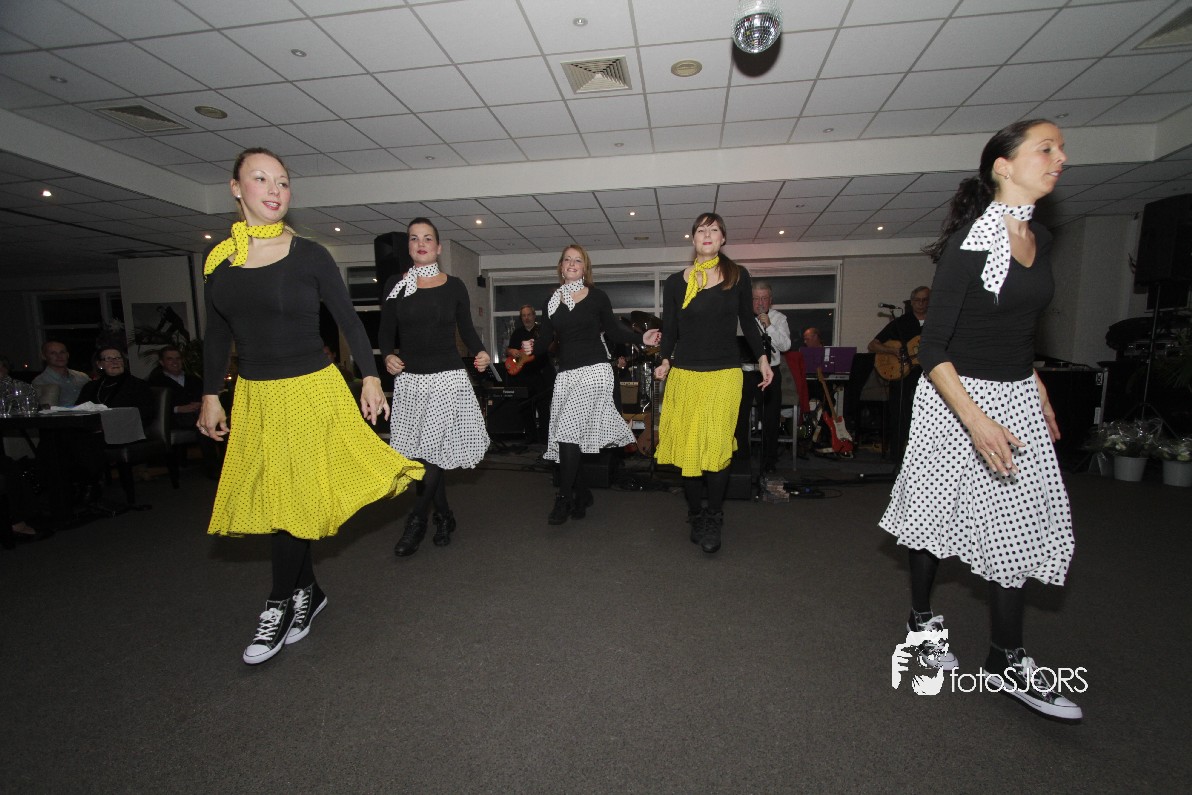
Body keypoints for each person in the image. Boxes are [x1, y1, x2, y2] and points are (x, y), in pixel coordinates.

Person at [879, 119, 1081, 721]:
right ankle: (921, 624)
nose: (1060, 158)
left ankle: (1005, 657)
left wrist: (1036, 385)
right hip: (953, 400)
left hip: (1015, 395)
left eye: (1060, 148)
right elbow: (934, 348)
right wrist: (975, 420)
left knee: (1015, 522)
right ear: (1003, 165)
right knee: (932, 515)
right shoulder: (970, 245)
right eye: (1046, 148)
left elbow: (1017, 330)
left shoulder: (1042, 236)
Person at [198, 147, 423, 666]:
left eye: (282, 181)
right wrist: (211, 394)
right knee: (278, 501)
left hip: (308, 391)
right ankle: (310, 592)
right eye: (261, 179)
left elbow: (349, 319)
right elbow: (216, 334)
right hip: (255, 396)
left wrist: (371, 376)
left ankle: (279, 603)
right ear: (236, 188)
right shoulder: (219, 261)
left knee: (290, 502)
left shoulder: (309, 255)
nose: (275, 189)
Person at [655, 212, 772, 554]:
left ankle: (715, 515)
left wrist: (763, 358)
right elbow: (670, 327)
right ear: (693, 239)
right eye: (701, 230)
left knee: (717, 447)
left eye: (714, 229)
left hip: (724, 374)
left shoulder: (737, 275)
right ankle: (696, 514)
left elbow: (748, 322)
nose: (707, 234)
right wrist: (664, 359)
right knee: (691, 448)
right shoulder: (675, 282)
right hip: (686, 374)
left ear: (722, 239)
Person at [379, 218, 491, 557]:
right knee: (427, 454)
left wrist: (481, 351)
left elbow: (466, 329)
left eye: (427, 238)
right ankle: (444, 516)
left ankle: (417, 520)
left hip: (446, 379)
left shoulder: (454, 286)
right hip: (411, 381)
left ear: (438, 247)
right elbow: (385, 330)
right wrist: (388, 355)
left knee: (430, 452)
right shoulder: (395, 285)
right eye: (414, 238)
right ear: (409, 247)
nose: (421, 243)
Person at [525, 245, 660, 524]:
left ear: (585, 268)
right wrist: (530, 348)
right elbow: (545, 341)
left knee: (567, 431)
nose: (572, 263)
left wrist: (640, 338)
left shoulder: (597, 296)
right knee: (568, 436)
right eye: (567, 259)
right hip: (566, 376)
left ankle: (564, 498)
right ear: (561, 267)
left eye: (578, 260)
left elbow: (614, 329)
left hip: (595, 372)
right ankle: (582, 493)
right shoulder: (551, 301)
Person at [868, 286, 931, 464]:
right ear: (911, 302)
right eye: (917, 300)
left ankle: (924, 457)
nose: (920, 304)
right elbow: (873, 345)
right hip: (903, 376)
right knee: (900, 413)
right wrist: (893, 351)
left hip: (929, 376)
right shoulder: (901, 323)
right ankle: (896, 455)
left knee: (926, 415)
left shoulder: (936, 323)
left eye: (924, 300)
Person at [736, 281, 791, 472]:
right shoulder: (740, 318)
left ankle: (769, 463)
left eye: (764, 298)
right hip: (744, 372)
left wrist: (770, 327)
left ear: (770, 300)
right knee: (738, 418)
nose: (760, 303)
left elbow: (786, 346)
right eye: (756, 298)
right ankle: (741, 461)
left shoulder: (779, 318)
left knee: (770, 418)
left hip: (769, 374)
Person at [505, 304, 554, 442]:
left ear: (534, 315)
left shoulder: (542, 331)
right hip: (523, 377)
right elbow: (508, 350)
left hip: (541, 375)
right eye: (523, 316)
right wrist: (511, 351)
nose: (526, 318)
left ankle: (544, 439)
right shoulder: (517, 333)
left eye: (529, 315)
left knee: (543, 408)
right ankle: (531, 438)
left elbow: (552, 348)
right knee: (526, 408)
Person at [76, 347, 155, 424]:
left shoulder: (138, 385)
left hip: (125, 427)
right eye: (108, 359)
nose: (115, 362)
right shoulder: (90, 387)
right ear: (100, 364)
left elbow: (146, 413)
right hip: (92, 428)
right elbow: (78, 412)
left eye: (118, 358)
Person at [148, 345, 203, 428]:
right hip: (172, 419)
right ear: (162, 362)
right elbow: (153, 407)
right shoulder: (155, 382)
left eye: (178, 358)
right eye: (170, 359)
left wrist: (201, 404)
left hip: (198, 414)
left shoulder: (194, 379)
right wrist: (178, 409)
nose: (175, 362)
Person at [32, 341, 89, 407]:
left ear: (67, 355)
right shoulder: (40, 382)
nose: (59, 356)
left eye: (62, 352)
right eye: (53, 353)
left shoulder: (82, 377)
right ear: (44, 356)